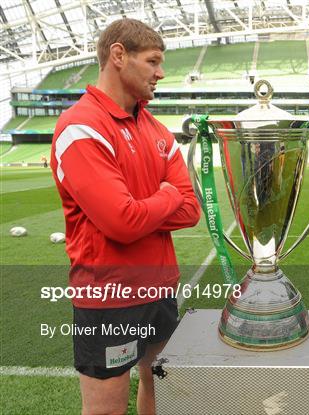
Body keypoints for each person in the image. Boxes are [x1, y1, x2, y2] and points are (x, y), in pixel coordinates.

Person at [50, 19, 200, 414]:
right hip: (109, 298)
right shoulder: (80, 127)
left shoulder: (157, 130)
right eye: (152, 61)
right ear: (118, 55)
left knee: (161, 388)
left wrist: (146, 204)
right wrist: (165, 195)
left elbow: (191, 209)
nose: (161, 72)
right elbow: (121, 221)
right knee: (107, 408)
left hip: (160, 287)